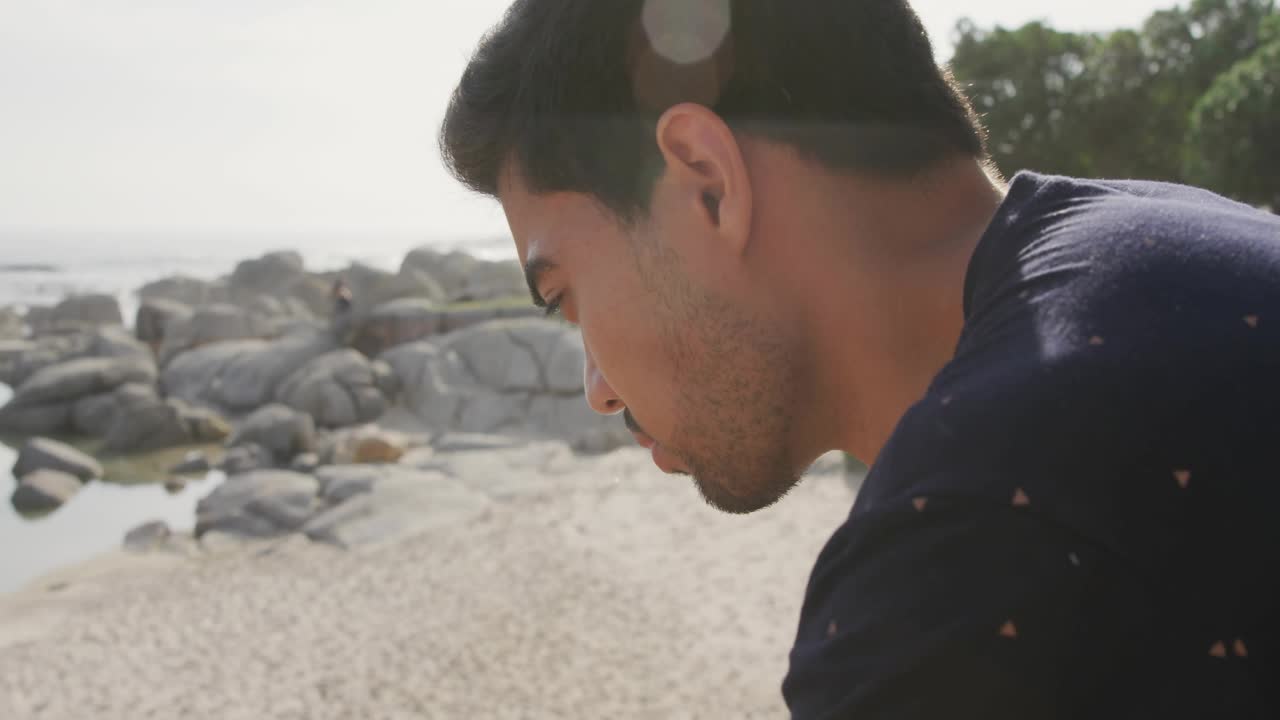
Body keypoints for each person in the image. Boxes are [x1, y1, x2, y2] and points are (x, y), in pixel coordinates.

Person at [441, 1, 1280, 717]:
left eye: (565, 297)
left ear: (706, 181)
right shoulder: (1183, 242)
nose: (597, 389)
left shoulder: (960, 551)